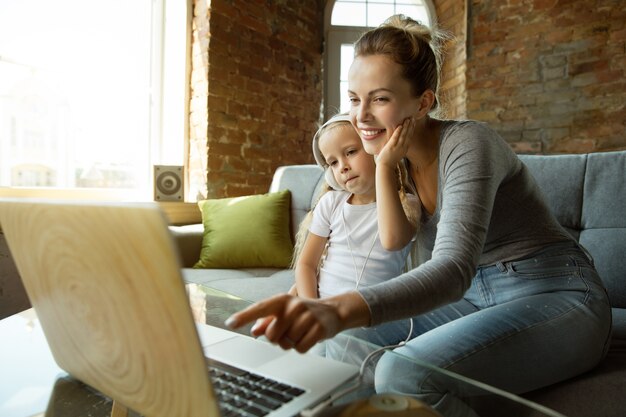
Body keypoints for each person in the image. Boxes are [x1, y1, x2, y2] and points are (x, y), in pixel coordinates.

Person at [226, 14, 612, 416]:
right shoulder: (389, 165)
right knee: (340, 342)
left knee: (402, 373)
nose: (360, 117)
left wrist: (338, 307)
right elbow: (351, 218)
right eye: (355, 99)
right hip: (473, 299)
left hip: (556, 293)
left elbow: (452, 269)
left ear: (423, 101)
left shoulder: (468, 144)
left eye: (380, 99)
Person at [291, 113, 417, 300]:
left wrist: (385, 166)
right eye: (333, 162)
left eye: (350, 152)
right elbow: (306, 265)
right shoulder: (331, 203)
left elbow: (395, 239)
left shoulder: (406, 204)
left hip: (373, 312)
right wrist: (312, 307)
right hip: (321, 309)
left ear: (376, 150)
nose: (342, 166)